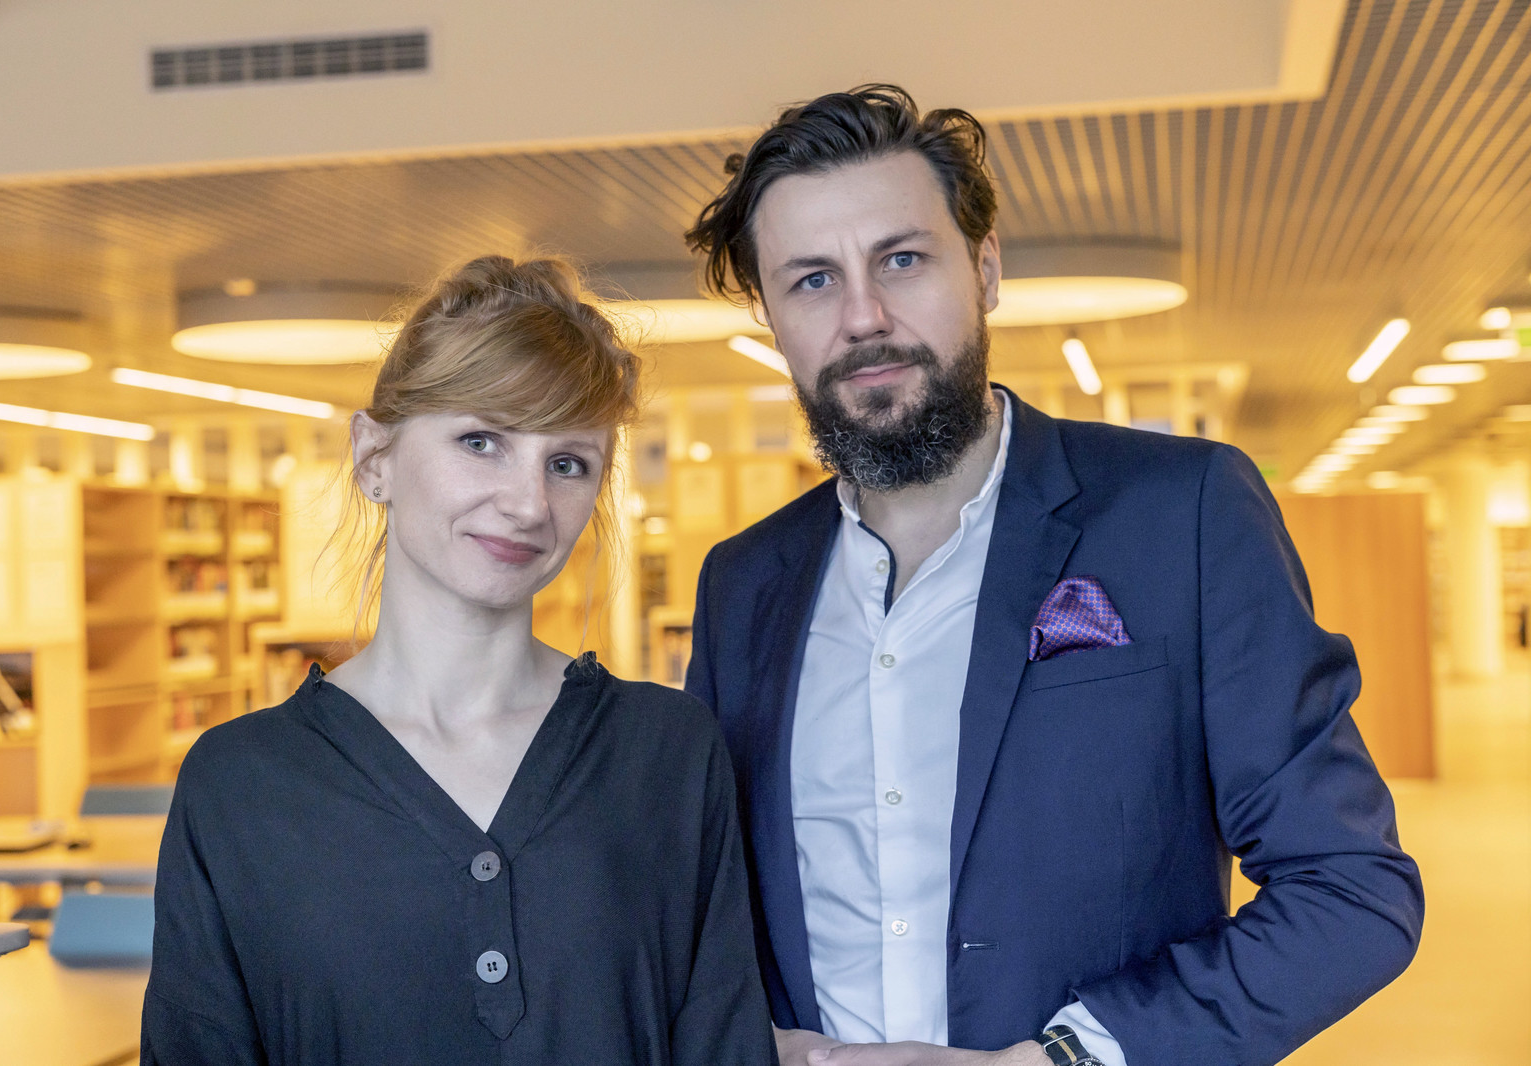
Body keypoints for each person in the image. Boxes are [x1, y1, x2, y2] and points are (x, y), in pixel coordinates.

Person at [681, 85, 1423, 1066]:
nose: (863, 316)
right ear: (771, 317)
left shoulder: (1183, 513)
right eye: (811, 280)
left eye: (902, 259)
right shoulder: (741, 586)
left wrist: (1063, 1058)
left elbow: (1352, 888)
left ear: (985, 269)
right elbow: (707, 908)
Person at [142, 255, 777, 1065]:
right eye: (482, 442)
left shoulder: (669, 753)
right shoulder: (239, 784)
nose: (528, 504)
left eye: (567, 464)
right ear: (374, 458)